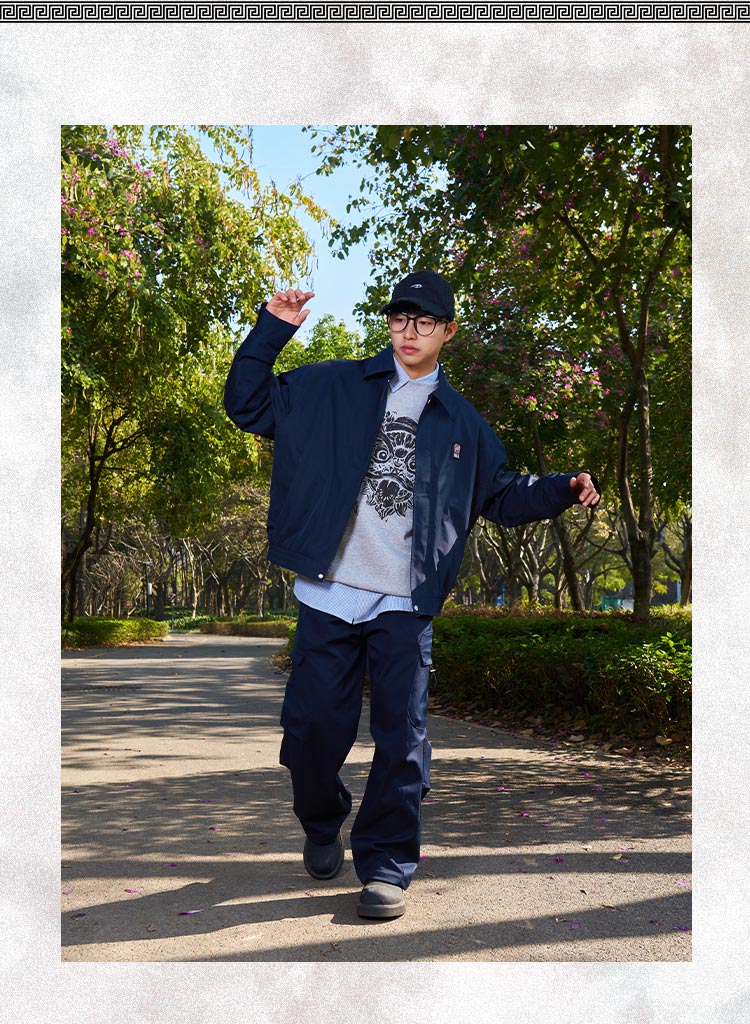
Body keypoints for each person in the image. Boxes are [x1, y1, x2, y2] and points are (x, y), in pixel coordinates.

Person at [224, 269, 600, 920]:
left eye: (425, 322)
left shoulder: (463, 422)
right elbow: (248, 405)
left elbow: (501, 495)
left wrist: (562, 488)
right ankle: (321, 819)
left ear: (447, 331)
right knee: (312, 734)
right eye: (400, 319)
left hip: (404, 602)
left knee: (402, 741)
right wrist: (272, 331)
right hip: (329, 593)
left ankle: (386, 865)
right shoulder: (333, 386)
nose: (410, 332)